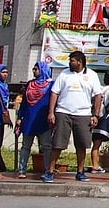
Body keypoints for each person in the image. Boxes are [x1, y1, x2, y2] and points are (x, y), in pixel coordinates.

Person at [43, 50, 102, 183]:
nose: (70, 63)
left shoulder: (92, 75)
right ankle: (50, 171)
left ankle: (80, 172)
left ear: (80, 62)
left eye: (72, 60)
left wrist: (95, 115)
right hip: (63, 112)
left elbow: (98, 96)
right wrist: (51, 112)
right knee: (57, 144)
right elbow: (54, 93)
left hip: (83, 114)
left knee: (81, 145)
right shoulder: (64, 74)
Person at [16, 62, 53, 179]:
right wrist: (19, 118)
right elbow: (24, 104)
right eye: (33, 68)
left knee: (46, 147)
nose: (34, 71)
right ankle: (22, 170)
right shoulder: (30, 84)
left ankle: (48, 170)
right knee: (26, 146)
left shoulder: (51, 85)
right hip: (29, 120)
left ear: (43, 70)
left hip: (43, 120)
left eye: (36, 69)